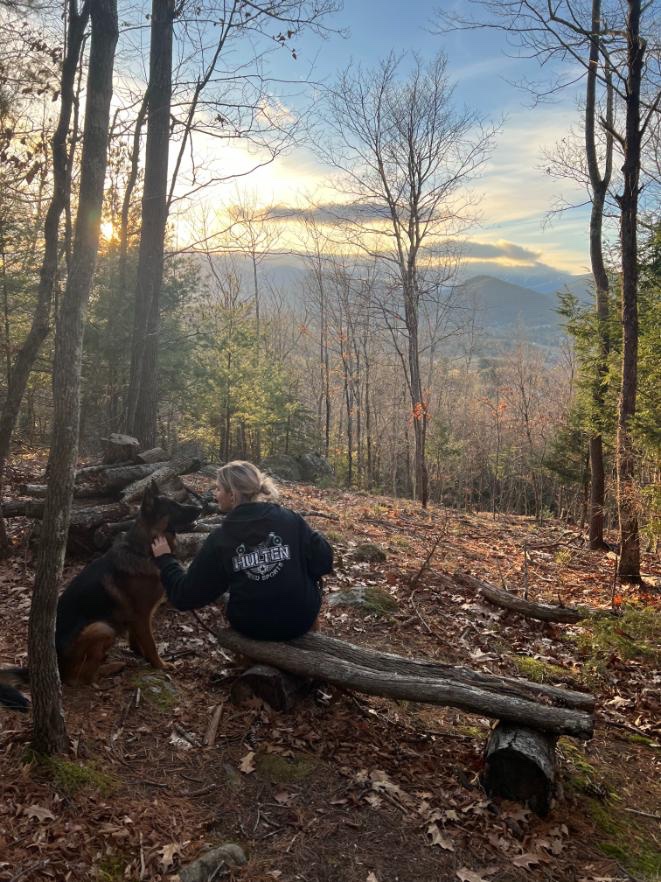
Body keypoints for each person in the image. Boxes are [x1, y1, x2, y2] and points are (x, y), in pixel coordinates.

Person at [151, 460, 333, 641]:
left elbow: (185, 595)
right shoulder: (290, 519)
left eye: (219, 489)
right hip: (302, 618)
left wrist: (165, 558)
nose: (215, 495)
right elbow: (324, 561)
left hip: (252, 625)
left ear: (233, 495)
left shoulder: (221, 538)